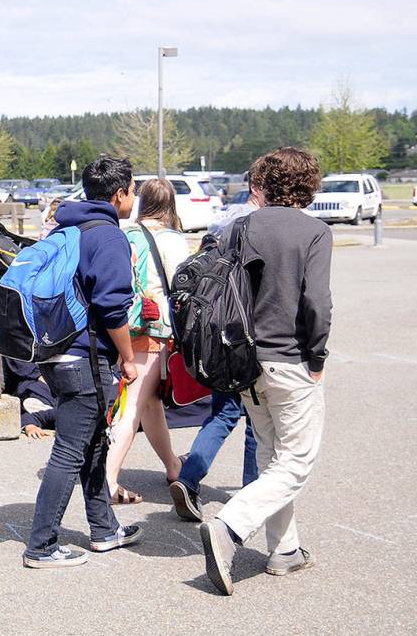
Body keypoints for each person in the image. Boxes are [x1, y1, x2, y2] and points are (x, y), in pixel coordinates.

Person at [198, 146, 331, 596]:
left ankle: (285, 550)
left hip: (247, 362)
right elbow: (316, 303)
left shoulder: (239, 227)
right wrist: (318, 358)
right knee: (296, 462)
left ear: (263, 182)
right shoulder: (314, 231)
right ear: (308, 184)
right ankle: (230, 526)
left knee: (273, 459)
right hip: (291, 359)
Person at [23, 155, 143, 569]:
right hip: (83, 359)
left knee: (94, 443)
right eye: (132, 189)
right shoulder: (107, 236)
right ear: (118, 194)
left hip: (56, 353)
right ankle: (41, 545)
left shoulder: (67, 226)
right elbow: (112, 309)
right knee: (70, 450)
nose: (134, 197)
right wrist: (128, 358)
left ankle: (104, 529)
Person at [170, 183, 262, 522]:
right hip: (244, 338)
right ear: (260, 188)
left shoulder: (221, 221)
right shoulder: (256, 224)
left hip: (213, 338)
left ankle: (188, 477)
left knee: (223, 414)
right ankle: (251, 494)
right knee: (255, 421)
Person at [104, 178, 190, 505]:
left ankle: (172, 465)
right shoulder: (173, 240)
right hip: (155, 331)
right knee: (133, 405)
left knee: (150, 402)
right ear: (170, 205)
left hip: (125, 327)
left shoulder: (125, 234)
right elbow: (183, 288)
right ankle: (107, 481)